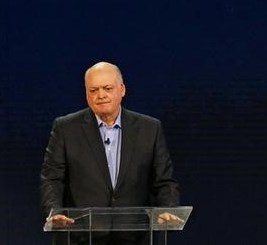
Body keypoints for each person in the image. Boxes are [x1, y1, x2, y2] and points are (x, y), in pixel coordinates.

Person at [40, 62, 181, 244]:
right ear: (86, 94)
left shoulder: (149, 128)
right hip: (80, 237)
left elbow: (164, 181)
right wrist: (55, 213)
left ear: (122, 89)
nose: (101, 95)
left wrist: (168, 209)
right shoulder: (65, 128)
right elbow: (51, 179)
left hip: (134, 238)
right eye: (93, 90)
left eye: (107, 88)